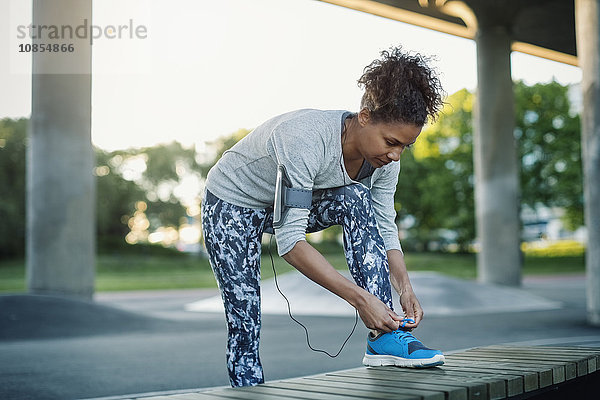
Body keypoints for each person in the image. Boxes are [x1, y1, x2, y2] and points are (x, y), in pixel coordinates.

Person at [201, 46, 445, 387]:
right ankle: (248, 391)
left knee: (355, 198)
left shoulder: (386, 161)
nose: (395, 154)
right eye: (391, 141)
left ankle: (383, 337)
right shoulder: (305, 139)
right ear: (364, 116)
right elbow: (291, 242)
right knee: (245, 316)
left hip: (288, 200)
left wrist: (404, 288)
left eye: (405, 146)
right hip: (232, 203)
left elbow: (384, 226)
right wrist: (361, 300)